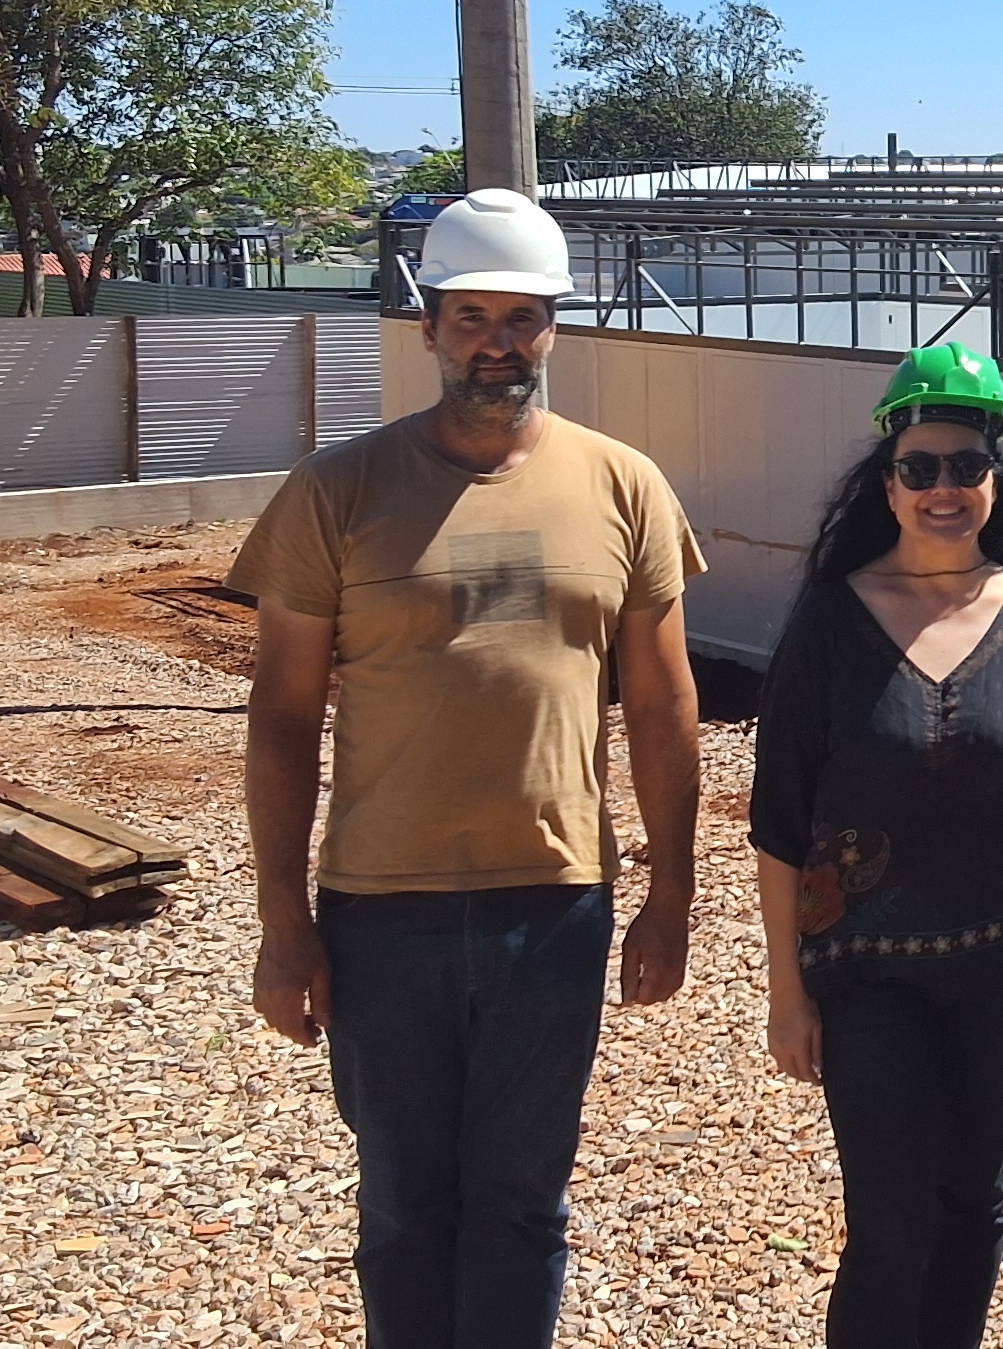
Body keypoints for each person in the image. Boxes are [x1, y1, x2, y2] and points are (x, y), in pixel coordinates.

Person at [235, 188, 705, 1349]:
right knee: (404, 1207)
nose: (499, 342)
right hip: (380, 912)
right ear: (430, 326)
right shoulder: (337, 491)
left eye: (522, 318)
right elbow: (283, 718)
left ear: (554, 328)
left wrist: (672, 896)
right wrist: (284, 924)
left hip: (553, 904)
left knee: (522, 1206)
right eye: (473, 316)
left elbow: (662, 707)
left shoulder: (624, 485)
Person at [749, 344, 1003, 1349]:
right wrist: (787, 992)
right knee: (891, 1223)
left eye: (966, 466)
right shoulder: (830, 622)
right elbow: (778, 824)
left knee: (974, 1204)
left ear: (996, 481)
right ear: (889, 484)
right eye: (920, 468)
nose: (944, 488)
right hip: (870, 976)